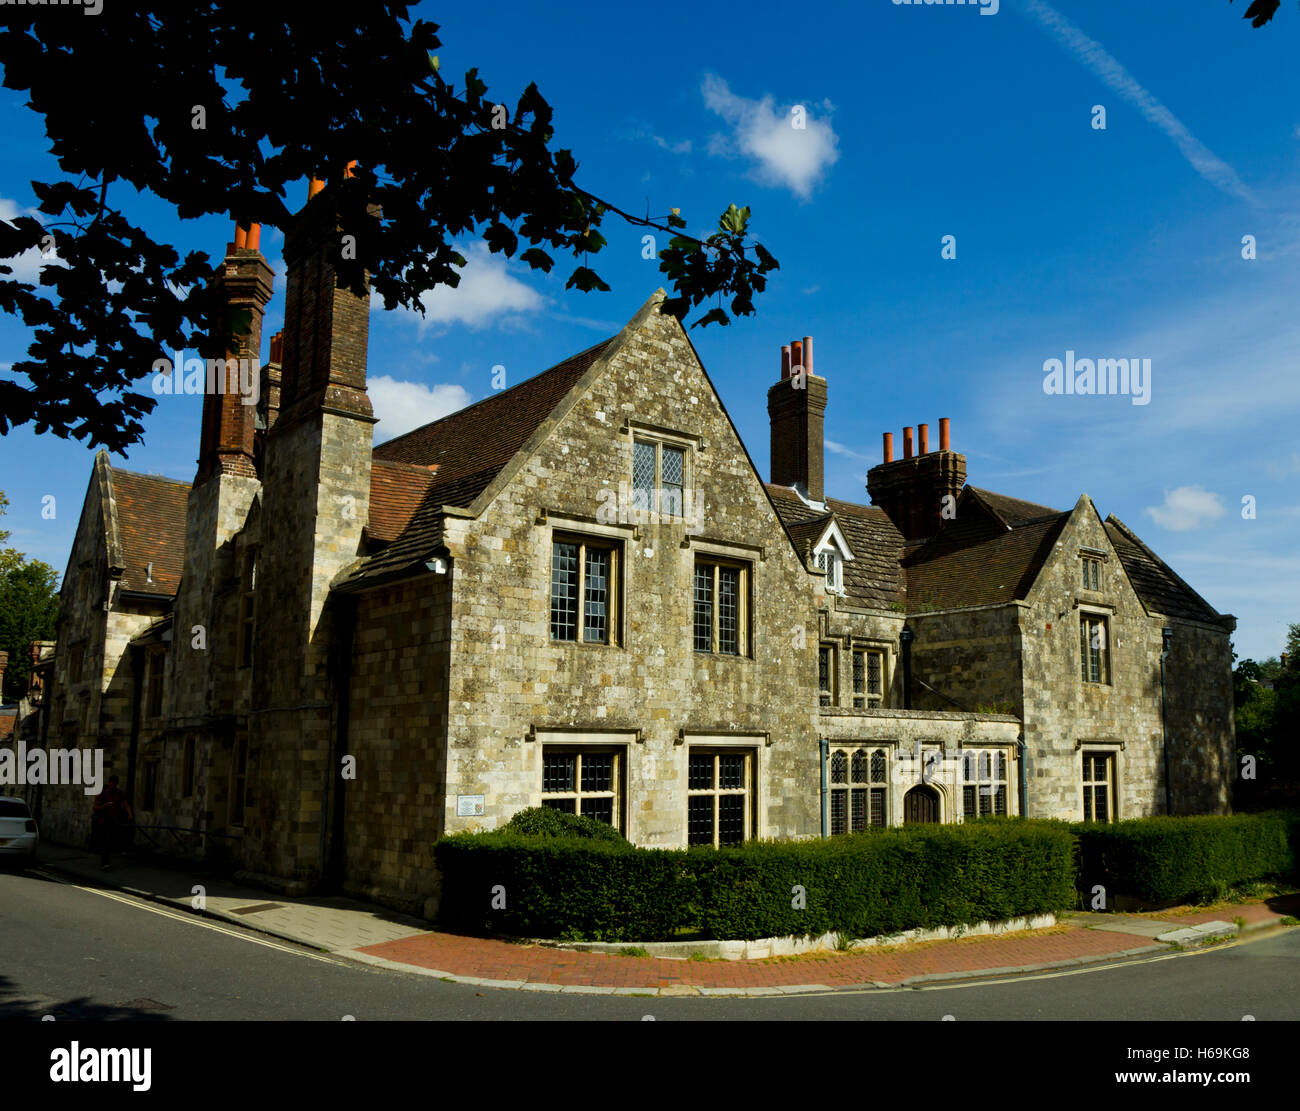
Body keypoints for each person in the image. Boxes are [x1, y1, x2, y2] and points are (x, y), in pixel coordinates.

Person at [92, 775, 132, 870]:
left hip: (114, 821)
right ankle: (104, 863)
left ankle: (105, 862)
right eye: (111, 783)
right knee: (106, 842)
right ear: (109, 783)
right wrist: (105, 805)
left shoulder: (119, 793)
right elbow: (95, 807)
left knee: (110, 843)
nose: (112, 785)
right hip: (104, 821)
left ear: (116, 784)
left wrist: (130, 814)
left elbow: (126, 804)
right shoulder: (103, 794)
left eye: (114, 783)